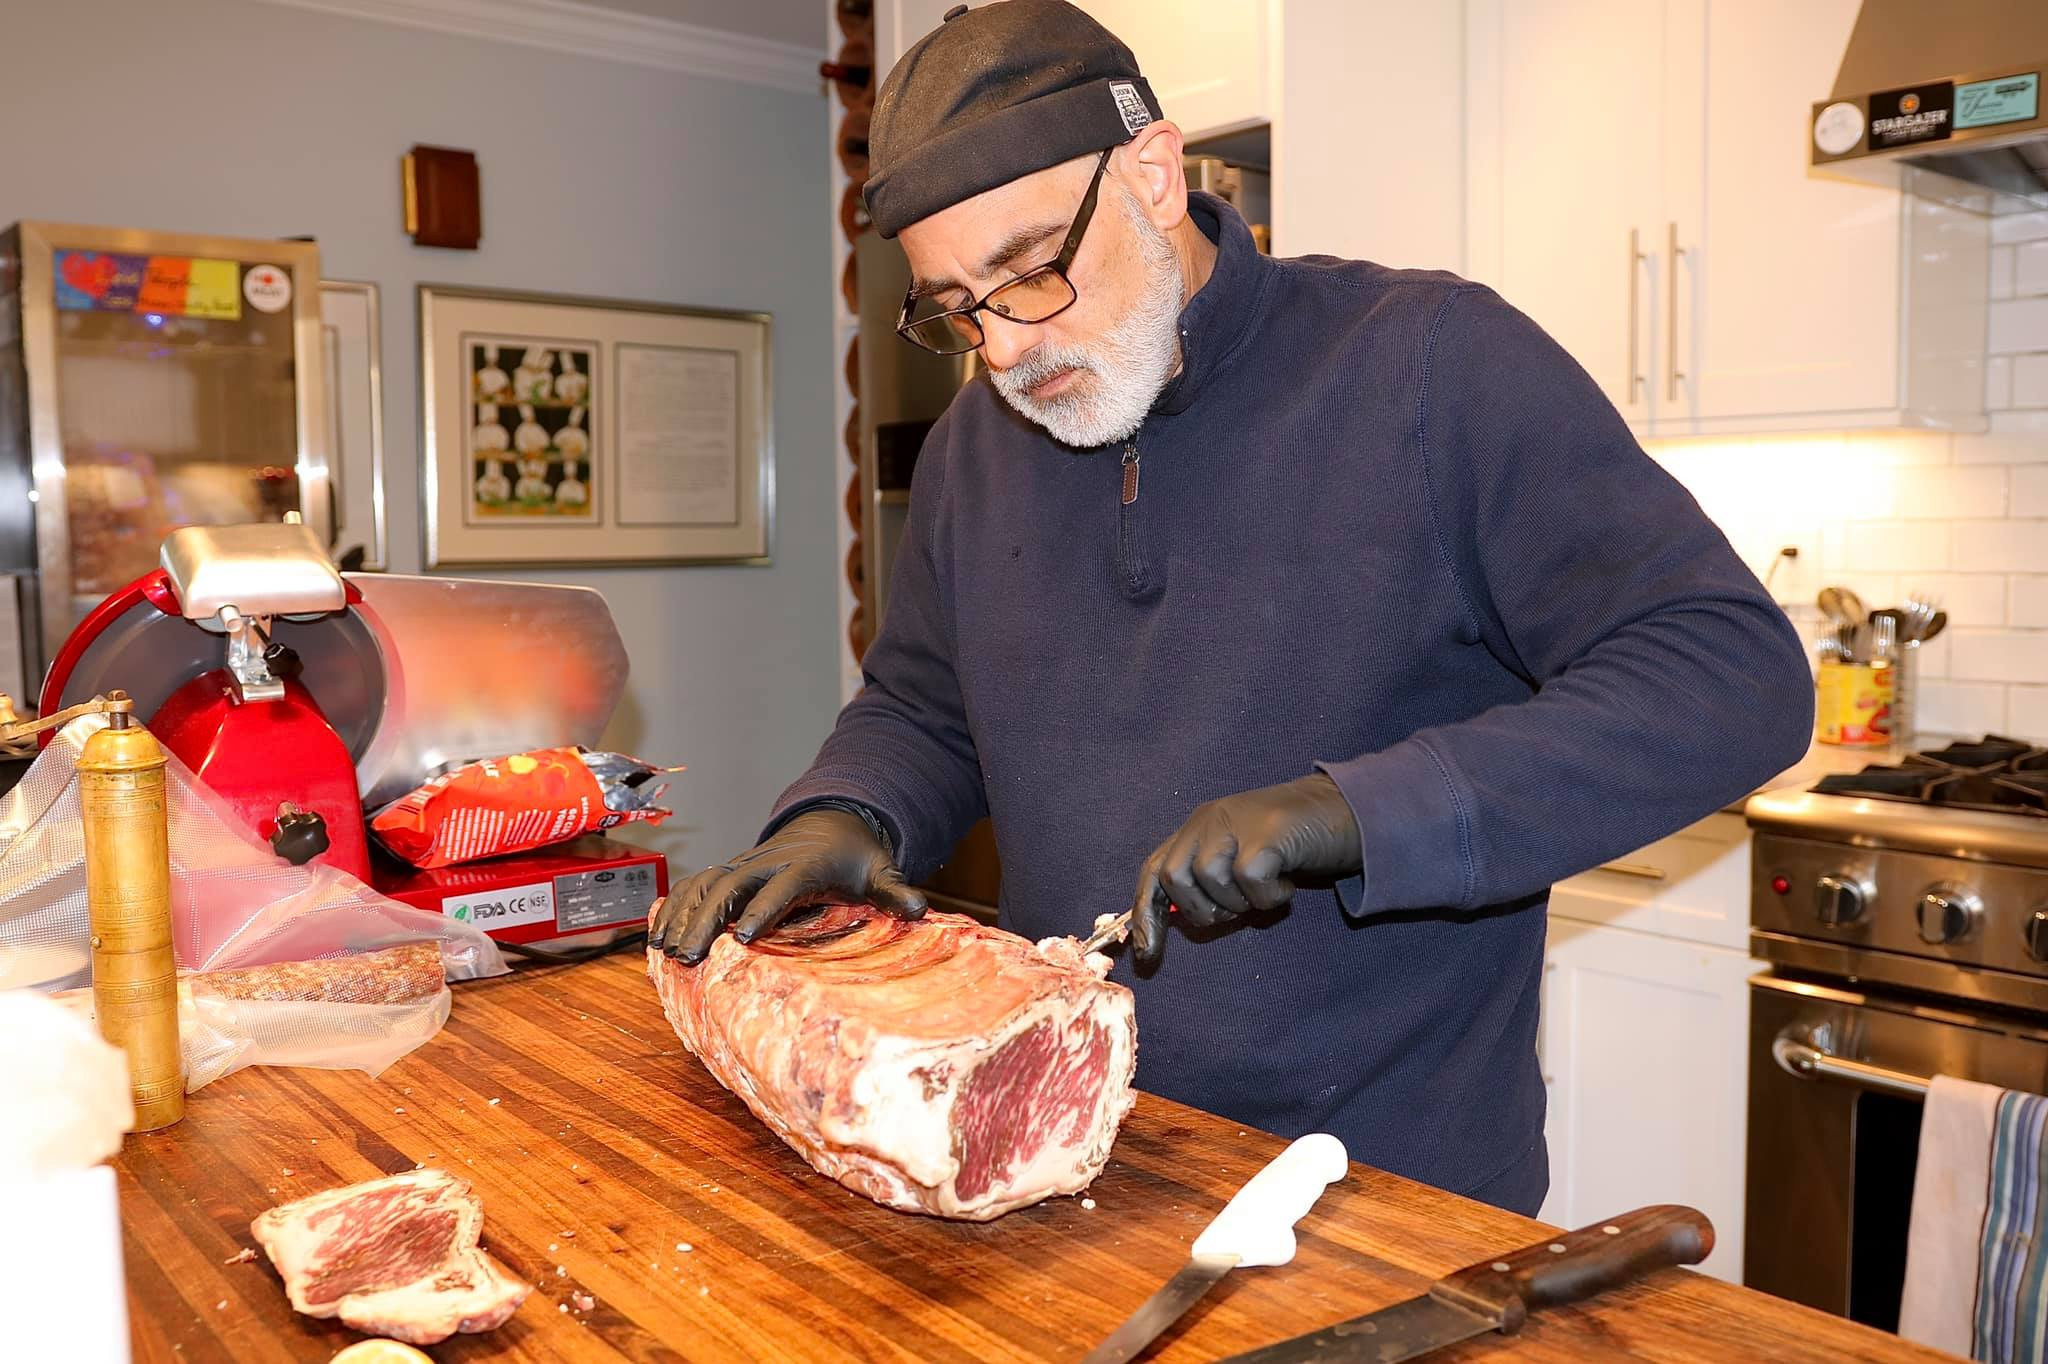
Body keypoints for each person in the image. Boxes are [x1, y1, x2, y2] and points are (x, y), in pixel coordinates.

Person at [650, 0, 1812, 1214]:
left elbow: (1728, 674)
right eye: (954, 307)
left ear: (1152, 174)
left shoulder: (1431, 366)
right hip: (1060, 1159)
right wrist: (846, 814)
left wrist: (1350, 813)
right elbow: (928, 703)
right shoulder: (971, 449)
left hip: (1382, 1192)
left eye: (1031, 269)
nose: (999, 348)